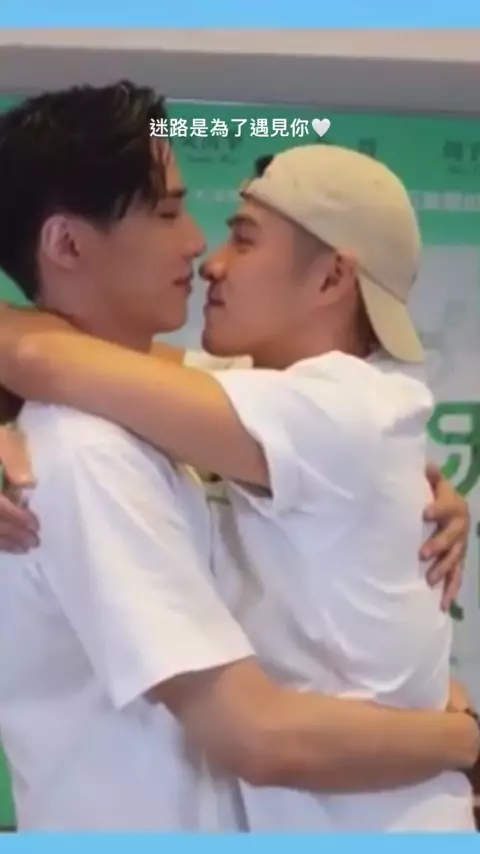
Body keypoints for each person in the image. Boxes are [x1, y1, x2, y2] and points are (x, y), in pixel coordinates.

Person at [0, 82, 476, 832]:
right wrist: (462, 738)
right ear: (68, 244)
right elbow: (254, 735)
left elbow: (61, 361)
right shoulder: (89, 448)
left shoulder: (297, 412)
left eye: (240, 238)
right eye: (169, 213)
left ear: (333, 278)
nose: (201, 251)